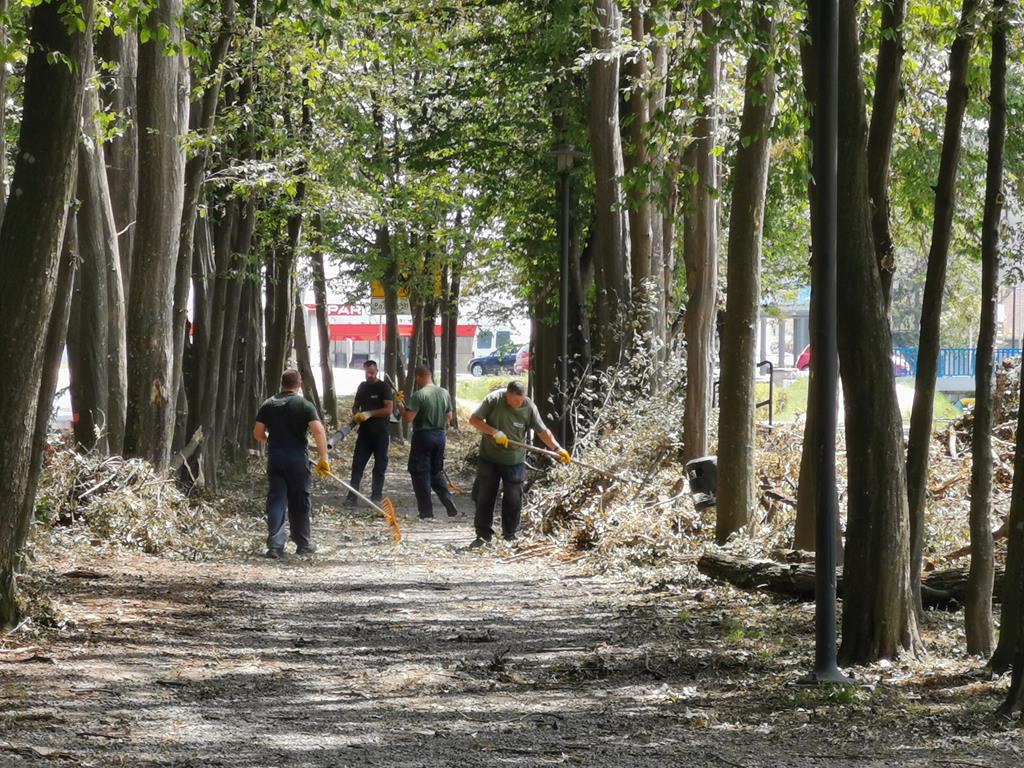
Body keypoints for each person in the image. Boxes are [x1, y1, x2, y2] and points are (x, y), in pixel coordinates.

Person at [467, 380, 570, 546]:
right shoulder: (494, 399)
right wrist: (494, 432)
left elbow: (542, 431)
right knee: (485, 496)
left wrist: (558, 449)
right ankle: (483, 535)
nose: (516, 404)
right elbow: (473, 420)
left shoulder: (529, 407)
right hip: (489, 458)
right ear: (507, 394)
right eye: (513, 401)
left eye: (519, 401)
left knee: (514, 498)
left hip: (514, 461)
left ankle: (510, 535)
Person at [253, 369, 330, 559]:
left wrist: (267, 439)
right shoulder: (304, 405)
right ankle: (303, 543)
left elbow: (257, 432)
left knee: (277, 499)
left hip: (276, 458)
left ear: (282, 383)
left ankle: (275, 546)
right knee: (299, 500)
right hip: (297, 459)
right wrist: (324, 458)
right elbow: (318, 431)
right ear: (299, 385)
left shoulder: (268, 404)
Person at [398, 365, 459, 520]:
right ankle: (448, 500)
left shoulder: (419, 395)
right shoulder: (444, 393)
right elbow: (449, 417)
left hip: (423, 436)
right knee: (436, 471)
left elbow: (409, 418)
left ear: (419, 377)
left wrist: (400, 405)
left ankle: (426, 512)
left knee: (420, 473)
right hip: (440, 436)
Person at [345, 359, 394, 506]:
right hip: (364, 434)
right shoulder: (362, 387)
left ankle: (376, 496)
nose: (370, 375)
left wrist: (370, 414)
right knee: (357, 465)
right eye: (367, 373)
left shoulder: (384, 387)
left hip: (381, 433)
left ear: (376, 372)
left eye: (372, 373)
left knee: (379, 466)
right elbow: (356, 405)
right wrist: (356, 414)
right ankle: (352, 496)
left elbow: (388, 409)